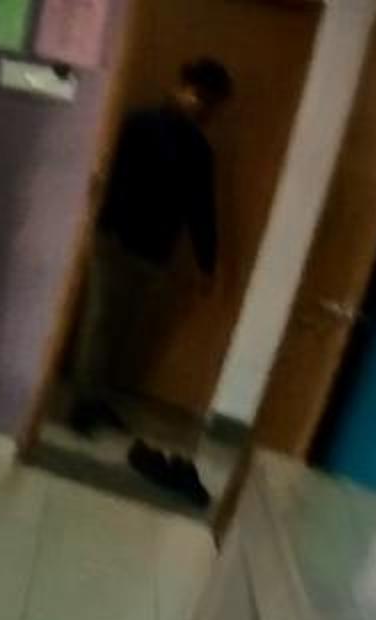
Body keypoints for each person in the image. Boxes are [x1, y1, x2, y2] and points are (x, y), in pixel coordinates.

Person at [69, 57, 233, 505]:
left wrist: (207, 263)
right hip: (115, 240)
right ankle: (83, 404)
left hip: (153, 252)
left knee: (121, 328)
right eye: (200, 96)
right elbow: (106, 174)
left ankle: (98, 398)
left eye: (212, 103)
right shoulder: (139, 123)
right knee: (101, 323)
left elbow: (202, 209)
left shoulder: (199, 150)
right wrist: (101, 223)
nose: (204, 107)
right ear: (183, 87)